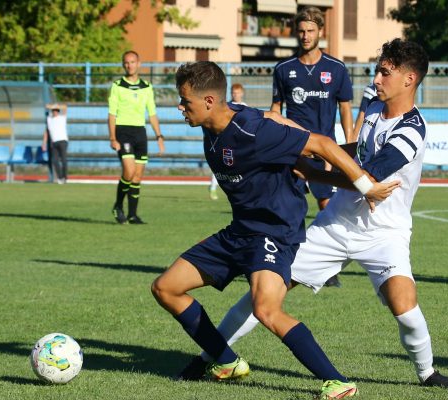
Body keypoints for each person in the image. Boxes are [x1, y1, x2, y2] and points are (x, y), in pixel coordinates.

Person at [180, 39, 448, 390]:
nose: (376, 79)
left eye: (384, 72)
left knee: (403, 304)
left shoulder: (412, 129)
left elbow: (371, 174)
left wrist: (310, 167)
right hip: (334, 226)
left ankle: (428, 373)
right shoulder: (376, 109)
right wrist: (315, 151)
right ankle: (210, 357)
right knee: (263, 296)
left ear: (409, 79)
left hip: (385, 232)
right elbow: (356, 152)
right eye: (378, 70)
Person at [151, 61, 399, 399]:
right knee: (166, 287)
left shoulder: (253, 131)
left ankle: (337, 381)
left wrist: (364, 186)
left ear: (209, 101)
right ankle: (225, 361)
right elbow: (297, 160)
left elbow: (323, 145)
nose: (180, 108)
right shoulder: (219, 124)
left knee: (265, 309)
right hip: (239, 231)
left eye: (185, 102)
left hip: (273, 234)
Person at [271, 6, 355, 212]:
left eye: (310, 31)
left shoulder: (336, 68)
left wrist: (350, 146)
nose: (305, 36)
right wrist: (273, 141)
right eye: (301, 31)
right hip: (294, 150)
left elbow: (345, 109)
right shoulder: (283, 69)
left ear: (320, 32)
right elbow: (275, 108)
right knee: (288, 206)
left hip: (325, 150)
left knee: (329, 206)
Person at [108, 50, 165, 224]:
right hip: (123, 132)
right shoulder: (117, 86)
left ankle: (132, 214)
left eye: (132, 62)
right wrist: (112, 138)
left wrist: (159, 136)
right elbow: (112, 114)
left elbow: (152, 114)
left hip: (140, 133)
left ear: (139, 64)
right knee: (129, 171)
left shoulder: (147, 87)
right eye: (126, 62)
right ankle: (118, 206)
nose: (129, 65)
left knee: (137, 176)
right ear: (123, 64)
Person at [209, 83, 247, 201]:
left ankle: (239, 188)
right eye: (234, 93)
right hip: (226, 139)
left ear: (242, 93)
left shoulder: (246, 106)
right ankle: (213, 187)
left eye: (238, 92)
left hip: (239, 141)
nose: (236, 95)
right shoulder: (227, 106)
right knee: (222, 165)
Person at [42, 103, 69, 184]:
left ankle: (65, 177)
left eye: (56, 110)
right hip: (54, 142)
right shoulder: (49, 119)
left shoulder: (62, 118)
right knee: (55, 161)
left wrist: (54, 106)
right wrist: (44, 142)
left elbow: (65, 107)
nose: (55, 112)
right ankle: (60, 177)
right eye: (53, 110)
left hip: (63, 141)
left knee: (64, 160)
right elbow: (47, 131)